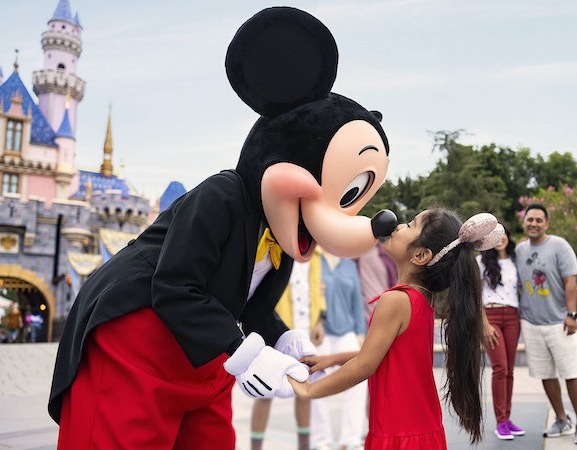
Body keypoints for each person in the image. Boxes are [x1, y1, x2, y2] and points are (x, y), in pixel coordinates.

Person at [47, 7, 398, 449]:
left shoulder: (286, 235)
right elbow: (174, 285)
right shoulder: (223, 194)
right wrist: (244, 352)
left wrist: (280, 339)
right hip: (136, 338)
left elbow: (244, 302)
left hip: (202, 355)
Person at [290, 209, 504, 448]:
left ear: (421, 255)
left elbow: (365, 366)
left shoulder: (396, 301)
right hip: (420, 428)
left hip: (399, 434)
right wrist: (332, 359)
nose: (398, 225)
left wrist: (308, 390)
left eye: (410, 224)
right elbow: (388, 354)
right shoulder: (420, 298)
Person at [516, 204, 577, 446]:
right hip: (532, 323)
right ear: (524, 222)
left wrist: (572, 314)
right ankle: (562, 419)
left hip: (560, 322)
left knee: (571, 373)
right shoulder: (519, 249)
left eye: (539, 220)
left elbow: (570, 282)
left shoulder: (560, 246)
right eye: (530, 219)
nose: (534, 224)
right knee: (545, 375)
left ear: (546, 224)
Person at [250, 249, 327, 450]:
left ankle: (304, 445)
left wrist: (319, 319)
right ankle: (256, 445)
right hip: (277, 326)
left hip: (304, 328)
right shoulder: (279, 250)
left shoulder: (316, 256)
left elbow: (318, 289)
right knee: (265, 391)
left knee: (304, 387)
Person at [310, 250, 367, 450]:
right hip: (320, 332)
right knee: (317, 383)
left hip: (347, 332)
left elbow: (356, 302)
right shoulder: (313, 261)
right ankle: (322, 441)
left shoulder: (349, 264)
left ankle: (350, 439)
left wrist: (361, 333)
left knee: (358, 382)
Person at [477, 225, 524, 440]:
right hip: (491, 316)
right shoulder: (481, 263)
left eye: (503, 234)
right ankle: (500, 421)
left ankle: (508, 417)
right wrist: (484, 324)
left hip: (513, 317)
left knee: (510, 370)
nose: (500, 238)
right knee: (500, 368)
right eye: (495, 236)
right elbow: (475, 297)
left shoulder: (516, 261)